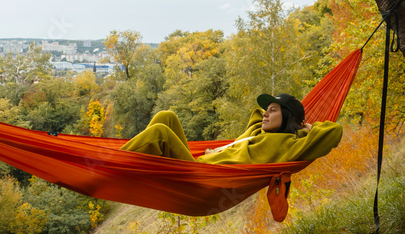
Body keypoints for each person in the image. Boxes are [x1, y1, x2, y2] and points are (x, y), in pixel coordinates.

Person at [120, 93, 343, 165]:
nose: (265, 113)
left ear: (289, 118)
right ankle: (131, 163)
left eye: (273, 110)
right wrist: (270, 116)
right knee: (165, 116)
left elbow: (333, 132)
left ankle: (112, 164)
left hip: (202, 179)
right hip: (197, 163)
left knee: (161, 132)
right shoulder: (256, 132)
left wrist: (306, 127)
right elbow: (257, 115)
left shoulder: (289, 145)